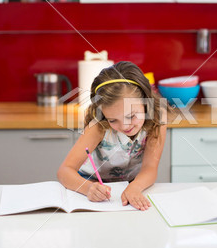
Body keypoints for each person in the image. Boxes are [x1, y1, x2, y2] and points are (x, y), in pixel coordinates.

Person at [57, 61, 167, 211]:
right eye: (113, 120)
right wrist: (88, 188)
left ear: (146, 102)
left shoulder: (157, 122)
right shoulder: (98, 126)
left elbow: (150, 168)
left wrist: (135, 187)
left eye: (131, 116)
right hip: (92, 186)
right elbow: (65, 171)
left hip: (132, 185)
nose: (124, 126)